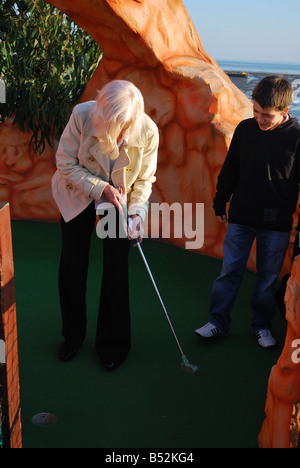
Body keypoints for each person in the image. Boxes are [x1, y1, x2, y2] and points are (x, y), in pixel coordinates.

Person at [52, 80, 159, 369]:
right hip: (77, 192)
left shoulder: (148, 132)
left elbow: (145, 181)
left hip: (120, 201)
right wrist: (101, 189)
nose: (115, 130)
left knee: (116, 266)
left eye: (121, 124)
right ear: (100, 108)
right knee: (73, 263)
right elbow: (64, 163)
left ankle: (113, 344)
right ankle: (72, 337)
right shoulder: (82, 115)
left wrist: (136, 214)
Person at [195, 75, 300, 348]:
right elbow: (231, 169)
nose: (259, 119)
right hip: (240, 216)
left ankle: (261, 326)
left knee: (266, 280)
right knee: (229, 272)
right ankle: (217, 322)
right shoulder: (245, 129)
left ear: (285, 112)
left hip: (276, 223)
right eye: (255, 111)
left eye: (266, 115)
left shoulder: (297, 137)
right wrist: (221, 201)